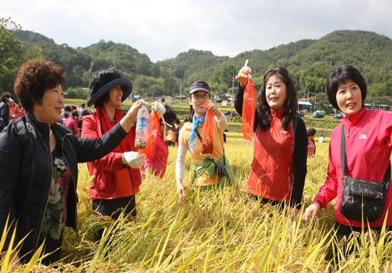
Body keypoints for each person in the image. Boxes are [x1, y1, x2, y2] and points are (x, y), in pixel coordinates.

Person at [0, 60, 143, 264]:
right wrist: (6, 251)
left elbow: (98, 146)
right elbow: (2, 198)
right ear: (35, 94)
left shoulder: (63, 136)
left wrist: (128, 120)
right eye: (54, 91)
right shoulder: (14, 137)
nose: (61, 99)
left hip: (54, 240)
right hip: (24, 243)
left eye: (62, 92)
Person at [303, 66, 392, 244]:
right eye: (342, 91)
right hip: (344, 222)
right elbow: (334, 179)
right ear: (334, 99)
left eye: (354, 88)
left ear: (361, 91)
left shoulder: (383, 120)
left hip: (380, 221)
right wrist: (318, 202)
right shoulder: (337, 133)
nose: (349, 95)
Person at [235, 65, 307, 212]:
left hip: (282, 201)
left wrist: (296, 204)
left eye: (277, 86)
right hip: (254, 195)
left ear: (287, 90)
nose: (272, 91)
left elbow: (300, 167)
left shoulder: (297, 125)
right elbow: (240, 106)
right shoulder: (260, 119)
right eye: (269, 87)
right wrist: (243, 86)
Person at [81, 69, 146, 228]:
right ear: (104, 93)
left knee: (127, 247)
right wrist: (122, 158)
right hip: (105, 196)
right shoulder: (90, 122)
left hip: (128, 192)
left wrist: (156, 117)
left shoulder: (128, 120)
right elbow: (94, 156)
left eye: (121, 88)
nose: (120, 92)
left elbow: (144, 138)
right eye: (116, 88)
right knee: (105, 248)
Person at [175, 80, 235, 198]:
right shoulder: (185, 130)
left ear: (209, 99)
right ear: (190, 100)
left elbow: (224, 124)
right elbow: (180, 160)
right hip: (201, 184)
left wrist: (218, 113)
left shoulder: (215, 120)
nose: (201, 100)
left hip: (223, 179)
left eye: (204, 96)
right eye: (197, 96)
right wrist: (179, 183)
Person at [140, 103, 171, 178]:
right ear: (161, 123)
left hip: (158, 179)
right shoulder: (154, 138)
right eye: (167, 127)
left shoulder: (162, 138)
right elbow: (148, 160)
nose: (169, 129)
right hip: (151, 180)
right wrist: (150, 183)